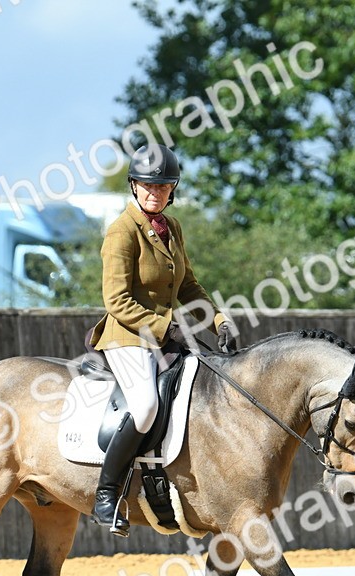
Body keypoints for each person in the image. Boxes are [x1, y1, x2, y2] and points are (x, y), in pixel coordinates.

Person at [86, 143, 239, 535]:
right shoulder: (121, 232)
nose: (157, 193)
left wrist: (217, 320)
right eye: (149, 185)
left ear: (173, 189)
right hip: (128, 337)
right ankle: (106, 496)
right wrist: (163, 328)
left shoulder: (172, 228)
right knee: (146, 405)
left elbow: (187, 284)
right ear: (134, 185)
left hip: (163, 335)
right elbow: (116, 300)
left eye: (164, 186)